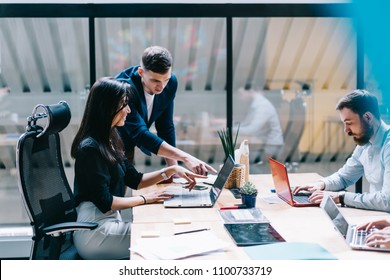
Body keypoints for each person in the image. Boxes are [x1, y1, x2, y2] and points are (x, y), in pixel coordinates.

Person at [71, 77, 206, 260]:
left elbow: (135, 179)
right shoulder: (90, 148)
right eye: (124, 105)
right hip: (95, 231)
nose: (128, 110)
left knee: (166, 231)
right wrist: (145, 199)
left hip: (109, 222)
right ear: (108, 107)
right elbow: (105, 201)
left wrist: (172, 171)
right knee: (165, 237)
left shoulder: (111, 138)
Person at [115, 46, 216, 176]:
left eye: (166, 79)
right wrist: (185, 157)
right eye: (155, 80)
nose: (161, 86)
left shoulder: (171, 83)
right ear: (141, 72)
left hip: (129, 143)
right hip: (110, 146)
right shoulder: (124, 88)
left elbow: (165, 126)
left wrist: (174, 169)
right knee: (114, 191)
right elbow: (139, 133)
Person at [293, 89, 390, 212]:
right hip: (376, 215)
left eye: (349, 123)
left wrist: (341, 197)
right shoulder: (365, 143)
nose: (346, 130)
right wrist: (320, 185)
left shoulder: (388, 146)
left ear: (368, 117)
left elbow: (387, 200)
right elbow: (344, 177)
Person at [235, 88, 284, 161]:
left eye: (241, 94)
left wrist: (228, 129)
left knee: (239, 158)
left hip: (270, 148)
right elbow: (246, 123)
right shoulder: (256, 104)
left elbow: (251, 130)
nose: (239, 98)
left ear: (250, 90)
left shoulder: (262, 106)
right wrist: (229, 125)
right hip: (263, 145)